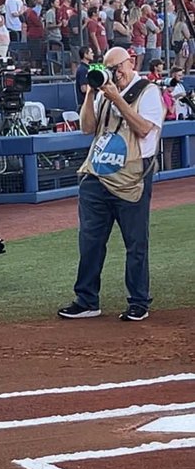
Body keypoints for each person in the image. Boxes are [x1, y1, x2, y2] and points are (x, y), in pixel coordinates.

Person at [58, 47, 164, 323]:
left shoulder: (147, 91)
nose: (114, 74)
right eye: (109, 69)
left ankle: (139, 301)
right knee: (90, 241)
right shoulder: (104, 92)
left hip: (131, 178)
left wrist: (117, 99)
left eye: (118, 68)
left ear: (131, 64)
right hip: (97, 174)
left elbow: (143, 128)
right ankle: (86, 299)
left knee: (136, 244)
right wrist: (92, 93)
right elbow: (87, 128)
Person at [75, 45, 94, 110]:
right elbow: (84, 89)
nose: (93, 54)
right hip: (84, 105)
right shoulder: (83, 69)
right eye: (91, 53)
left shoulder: (87, 68)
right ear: (85, 55)